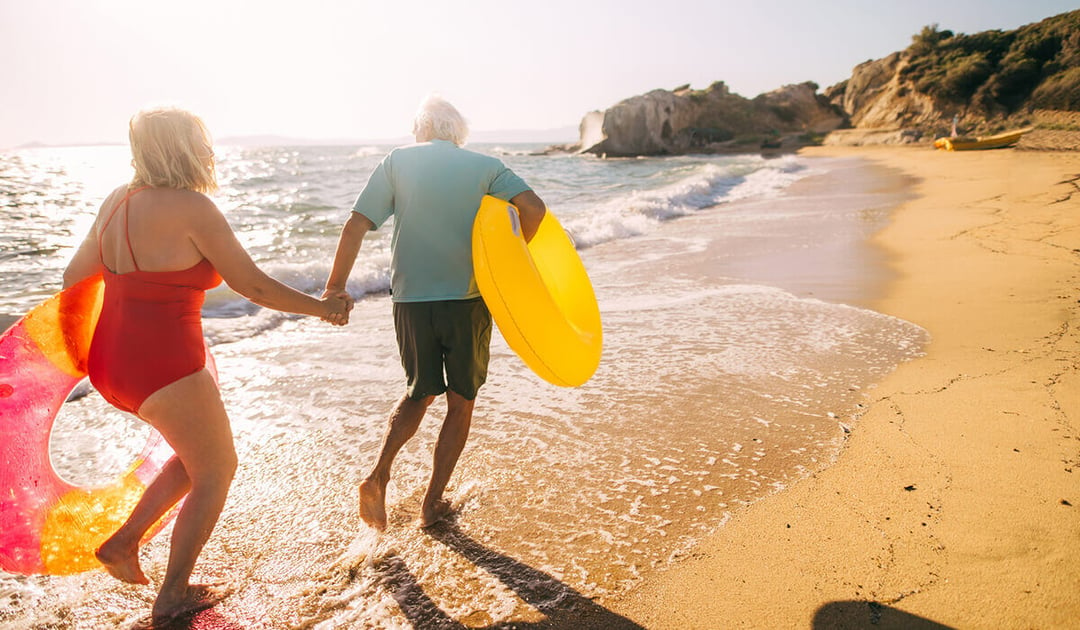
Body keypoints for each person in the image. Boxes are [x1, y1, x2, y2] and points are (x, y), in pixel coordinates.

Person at [62, 106, 351, 621]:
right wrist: (322, 307)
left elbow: (73, 278)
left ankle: (123, 544)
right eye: (201, 142)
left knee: (197, 456)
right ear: (185, 149)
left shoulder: (113, 202)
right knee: (218, 468)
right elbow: (254, 286)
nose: (208, 151)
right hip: (165, 364)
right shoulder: (194, 209)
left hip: (110, 365)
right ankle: (172, 594)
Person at [324, 95, 546, 530]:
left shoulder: (396, 161)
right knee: (461, 402)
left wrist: (335, 288)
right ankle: (431, 505)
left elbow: (355, 224)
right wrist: (513, 262)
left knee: (419, 392)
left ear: (421, 129)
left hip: (410, 299)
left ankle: (378, 475)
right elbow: (533, 209)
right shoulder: (485, 166)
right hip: (467, 300)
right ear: (457, 132)